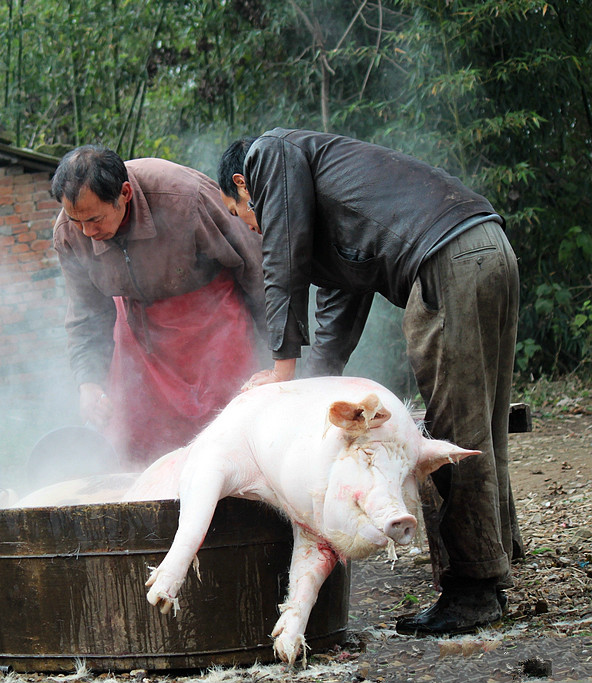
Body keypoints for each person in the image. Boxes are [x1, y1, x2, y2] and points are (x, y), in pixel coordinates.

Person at [217, 128, 521, 635]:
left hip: (448, 260)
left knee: (449, 431)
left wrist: (280, 369)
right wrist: (302, 396)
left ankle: (474, 590)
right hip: (489, 248)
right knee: (481, 419)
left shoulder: (271, 152)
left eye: (239, 213)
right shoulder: (332, 226)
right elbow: (335, 322)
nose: (251, 227)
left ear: (244, 183)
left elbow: (282, 258)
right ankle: (498, 552)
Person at [51, 145, 266, 467]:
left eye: (95, 219)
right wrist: (89, 382)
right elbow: (87, 315)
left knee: (229, 439)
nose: (87, 233)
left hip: (214, 326)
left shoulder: (185, 197)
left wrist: (279, 352)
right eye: (76, 220)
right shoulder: (70, 233)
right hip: (140, 337)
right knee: (143, 447)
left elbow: (255, 268)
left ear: (124, 193)